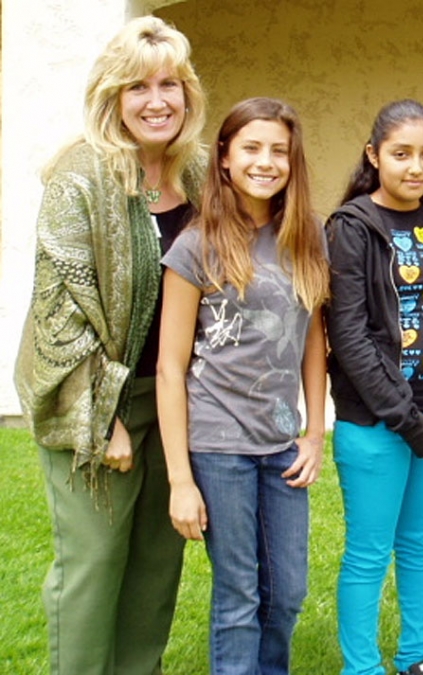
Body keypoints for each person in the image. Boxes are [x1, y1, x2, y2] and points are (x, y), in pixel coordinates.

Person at [12, 16, 206, 675]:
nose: (157, 100)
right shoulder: (80, 178)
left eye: (170, 85)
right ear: (111, 98)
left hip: (172, 399)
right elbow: (59, 312)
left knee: (157, 559)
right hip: (94, 397)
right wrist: (104, 417)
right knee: (95, 559)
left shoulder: (199, 173)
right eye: (137, 88)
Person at [156, 97, 329, 674]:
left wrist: (314, 432)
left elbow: (311, 340)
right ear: (224, 158)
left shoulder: (305, 238)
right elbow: (169, 368)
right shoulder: (195, 245)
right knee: (239, 596)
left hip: (281, 442)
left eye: (279, 150)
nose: (266, 161)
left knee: (286, 594)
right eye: (251, 148)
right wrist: (181, 480)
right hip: (217, 442)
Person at [325, 99, 423, 675]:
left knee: (420, 542)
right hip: (377, 424)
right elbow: (349, 336)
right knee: (369, 550)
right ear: (374, 156)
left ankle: (419, 655)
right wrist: (408, 422)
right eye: (400, 154)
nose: (415, 167)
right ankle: (362, 667)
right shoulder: (350, 227)